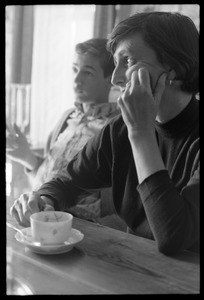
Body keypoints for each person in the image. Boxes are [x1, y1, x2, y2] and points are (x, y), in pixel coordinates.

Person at [10, 12, 199, 255]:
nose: (117, 78)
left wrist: (140, 133)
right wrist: (44, 200)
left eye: (128, 61)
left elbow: (174, 237)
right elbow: (67, 182)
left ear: (173, 68)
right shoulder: (119, 129)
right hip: (135, 268)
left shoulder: (134, 127)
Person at [7, 38, 125, 227]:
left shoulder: (116, 128)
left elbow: (117, 206)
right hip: (38, 221)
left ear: (109, 79)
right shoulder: (66, 118)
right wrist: (26, 156)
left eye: (88, 72)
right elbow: (47, 177)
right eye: (75, 69)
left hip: (82, 229)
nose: (77, 80)